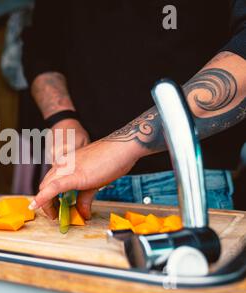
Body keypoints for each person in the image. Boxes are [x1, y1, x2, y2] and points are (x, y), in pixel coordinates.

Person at [22, 0, 246, 218]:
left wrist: (122, 145)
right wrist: (62, 117)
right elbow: (42, 48)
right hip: (82, 183)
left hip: (185, 182)